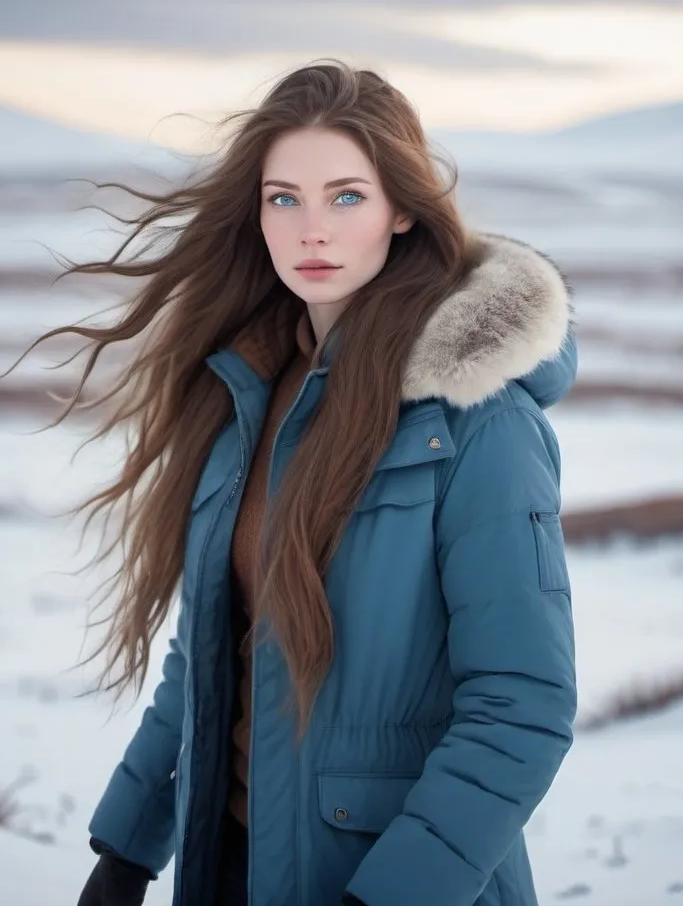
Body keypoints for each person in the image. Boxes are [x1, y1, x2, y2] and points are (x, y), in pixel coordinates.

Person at [62, 60, 578, 906]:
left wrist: (388, 896)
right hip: (228, 864)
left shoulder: (475, 422)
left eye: (346, 196)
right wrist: (125, 848)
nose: (312, 230)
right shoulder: (249, 390)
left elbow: (522, 704)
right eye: (283, 198)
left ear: (402, 208)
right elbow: (212, 652)